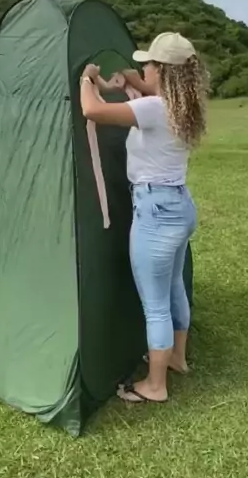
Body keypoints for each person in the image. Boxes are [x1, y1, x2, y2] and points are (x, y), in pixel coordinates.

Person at [80, 32, 209, 405]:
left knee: (155, 305)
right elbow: (151, 90)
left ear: (162, 71)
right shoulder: (184, 103)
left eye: (148, 64)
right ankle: (178, 359)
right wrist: (131, 80)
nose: (144, 69)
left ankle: (155, 385)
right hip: (179, 207)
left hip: (155, 212)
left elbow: (92, 110)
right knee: (174, 288)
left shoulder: (154, 108)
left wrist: (87, 77)